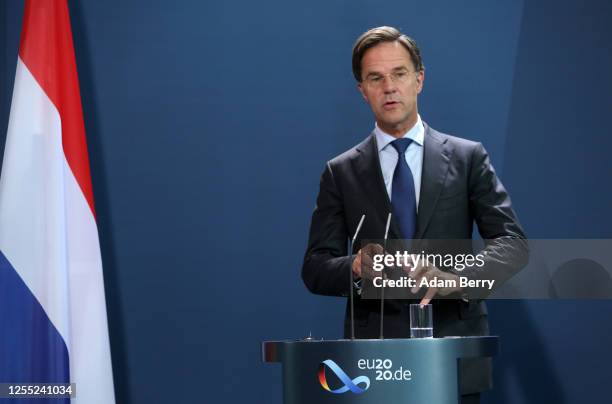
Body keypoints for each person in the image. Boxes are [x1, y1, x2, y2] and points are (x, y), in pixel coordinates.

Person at [301, 26, 528, 404]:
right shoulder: (340, 172)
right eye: (376, 78)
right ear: (362, 90)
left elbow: (513, 245)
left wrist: (456, 278)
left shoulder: (467, 158)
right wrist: (354, 267)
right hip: (375, 362)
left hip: (451, 353)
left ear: (419, 80)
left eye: (399, 74)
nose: (389, 87)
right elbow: (314, 266)